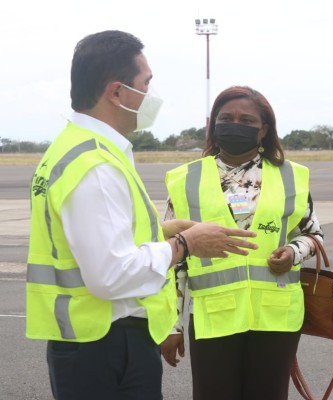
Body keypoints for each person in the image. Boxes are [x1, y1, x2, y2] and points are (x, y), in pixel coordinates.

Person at [25, 30, 258, 400]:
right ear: (117, 92)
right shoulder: (94, 165)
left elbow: (102, 238)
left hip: (95, 340)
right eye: (145, 84)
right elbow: (109, 275)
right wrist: (184, 244)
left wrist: (165, 229)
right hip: (105, 343)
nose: (150, 96)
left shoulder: (82, 149)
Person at [160, 85, 324, 400]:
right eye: (226, 118)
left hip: (275, 317)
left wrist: (293, 251)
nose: (235, 125)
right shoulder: (186, 180)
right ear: (213, 125)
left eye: (247, 121)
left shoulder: (291, 176)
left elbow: (314, 234)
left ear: (263, 130)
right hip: (213, 317)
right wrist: (173, 326)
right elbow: (173, 258)